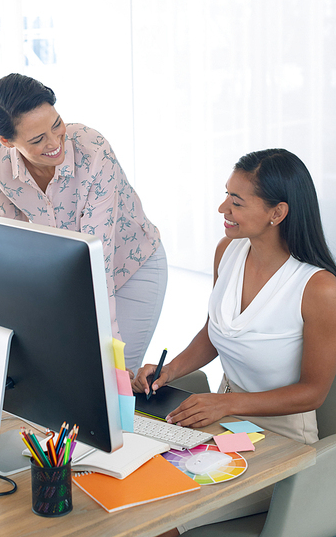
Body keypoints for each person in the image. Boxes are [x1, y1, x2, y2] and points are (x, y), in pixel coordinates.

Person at [132, 148, 336, 535]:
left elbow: (312, 393)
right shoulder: (228, 251)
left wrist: (226, 402)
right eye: (226, 194)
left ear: (277, 213)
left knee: (157, 518)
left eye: (237, 201)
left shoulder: (319, 288)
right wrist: (167, 371)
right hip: (223, 425)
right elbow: (216, 330)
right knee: (134, 486)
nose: (222, 207)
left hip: (282, 441)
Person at [0, 73, 167, 372]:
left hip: (131, 266)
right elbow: (14, 246)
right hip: (71, 277)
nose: (55, 142)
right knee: (65, 374)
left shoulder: (92, 149)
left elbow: (98, 257)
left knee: (110, 377)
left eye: (56, 125)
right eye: (38, 139)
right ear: (7, 140)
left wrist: (113, 357)